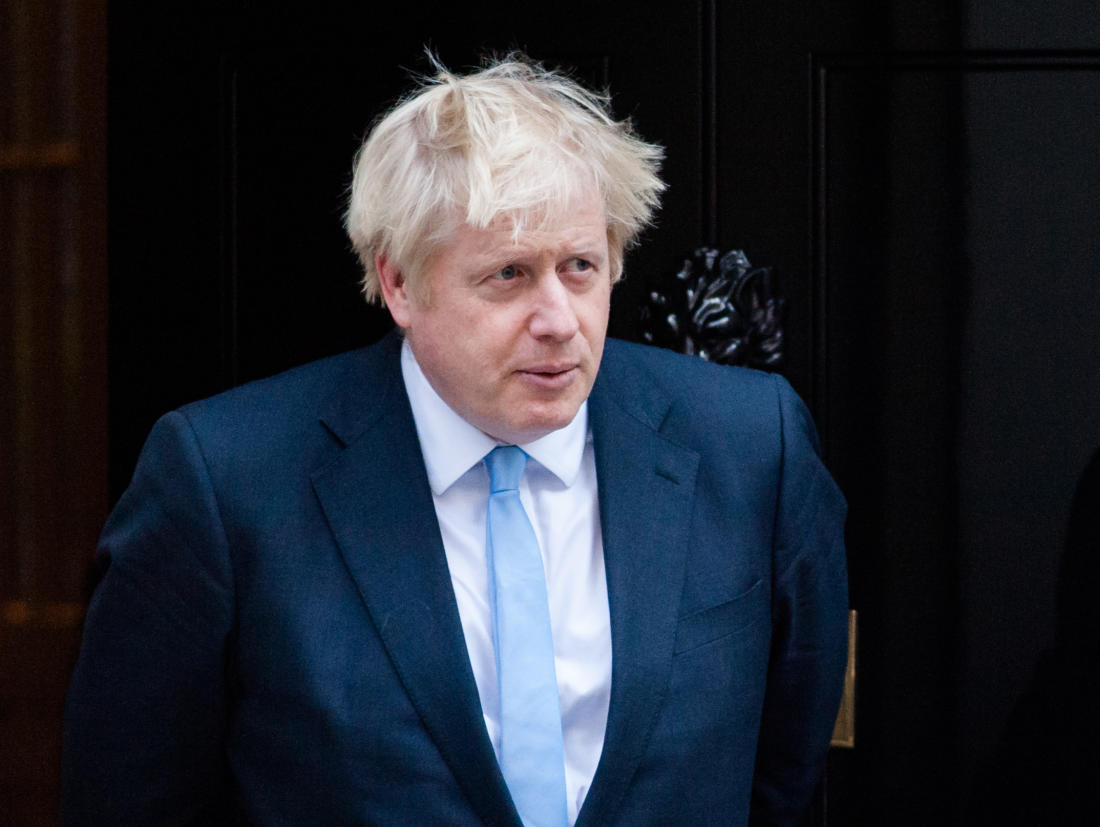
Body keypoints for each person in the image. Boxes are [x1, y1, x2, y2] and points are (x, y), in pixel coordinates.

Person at [61, 56, 849, 826]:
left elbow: (783, 768)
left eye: (580, 266)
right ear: (400, 282)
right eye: (508, 274)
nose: (558, 318)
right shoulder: (224, 480)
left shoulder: (752, 444)